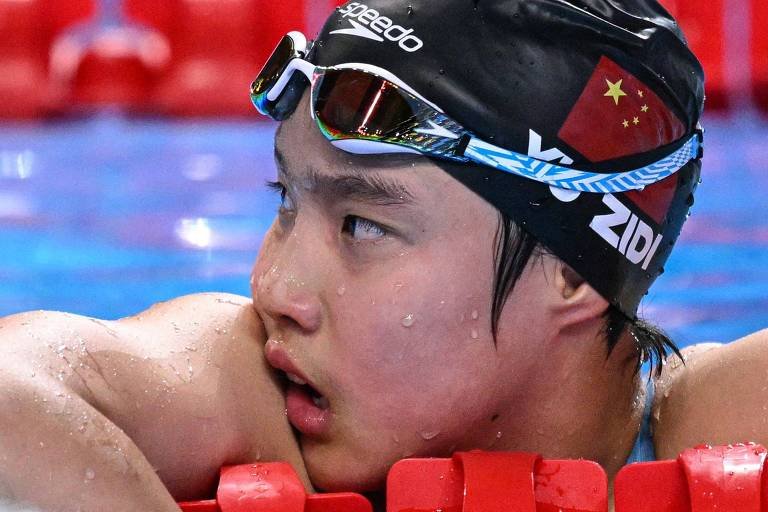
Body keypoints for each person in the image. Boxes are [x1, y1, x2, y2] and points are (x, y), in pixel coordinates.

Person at [0, 0, 766, 510]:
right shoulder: (244, 389)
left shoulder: (722, 423)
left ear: (572, 271)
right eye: (288, 202)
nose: (272, 285)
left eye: (362, 225)